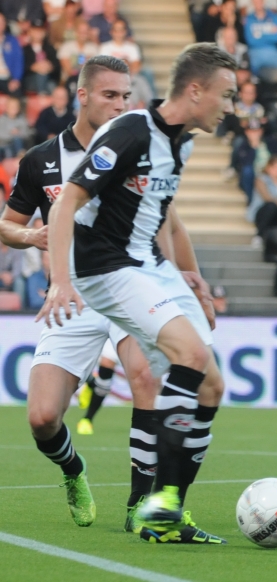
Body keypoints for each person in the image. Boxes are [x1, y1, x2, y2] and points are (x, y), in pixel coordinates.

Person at [0, 54, 221, 543]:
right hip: (73, 295)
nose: (120, 104)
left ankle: (140, 503)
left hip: (128, 280)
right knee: (41, 418)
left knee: (145, 375)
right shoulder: (41, 159)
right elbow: (7, 227)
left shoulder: (135, 142)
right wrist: (32, 240)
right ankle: (73, 470)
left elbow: (168, 221)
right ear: (82, 96)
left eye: (126, 96)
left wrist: (190, 277)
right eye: (109, 95)